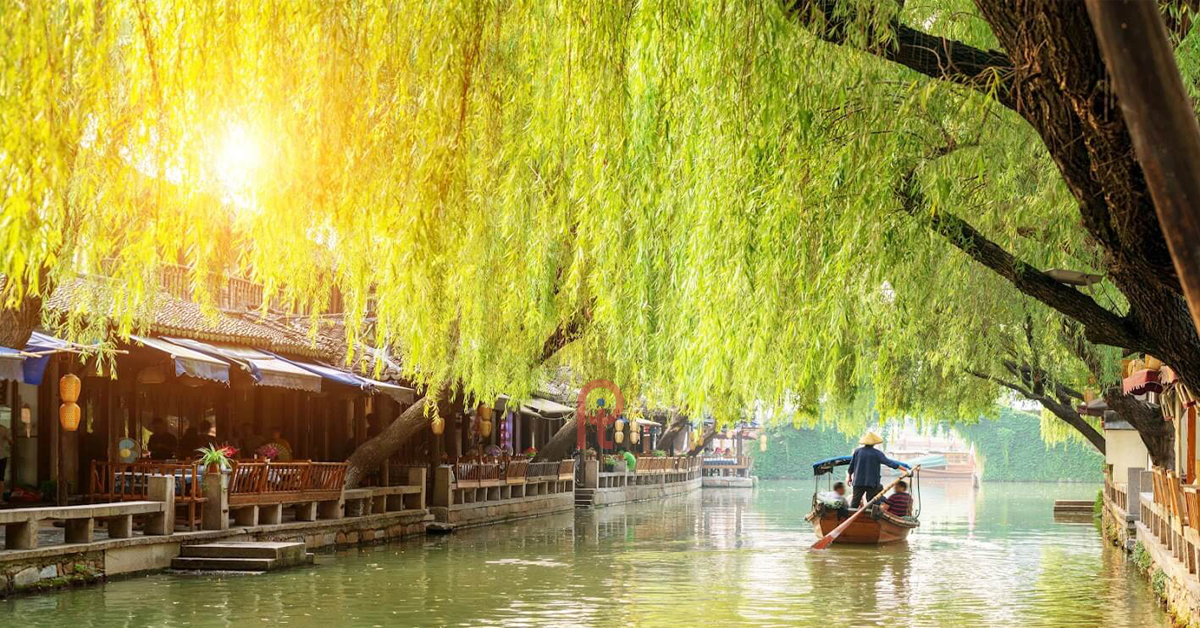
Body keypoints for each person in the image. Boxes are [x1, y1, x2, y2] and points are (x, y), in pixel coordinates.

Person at [847, 431, 907, 509]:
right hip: (872, 483)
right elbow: (889, 463)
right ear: (874, 443)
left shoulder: (857, 451)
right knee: (871, 502)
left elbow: (851, 466)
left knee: (855, 502)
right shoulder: (877, 453)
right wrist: (904, 469)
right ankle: (869, 515)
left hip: (858, 481)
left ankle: (852, 515)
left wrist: (849, 477)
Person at [0, 420, 12, 502]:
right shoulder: (3, 429)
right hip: (1, 456)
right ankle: (0, 499)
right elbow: (11, 442)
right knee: (1, 479)